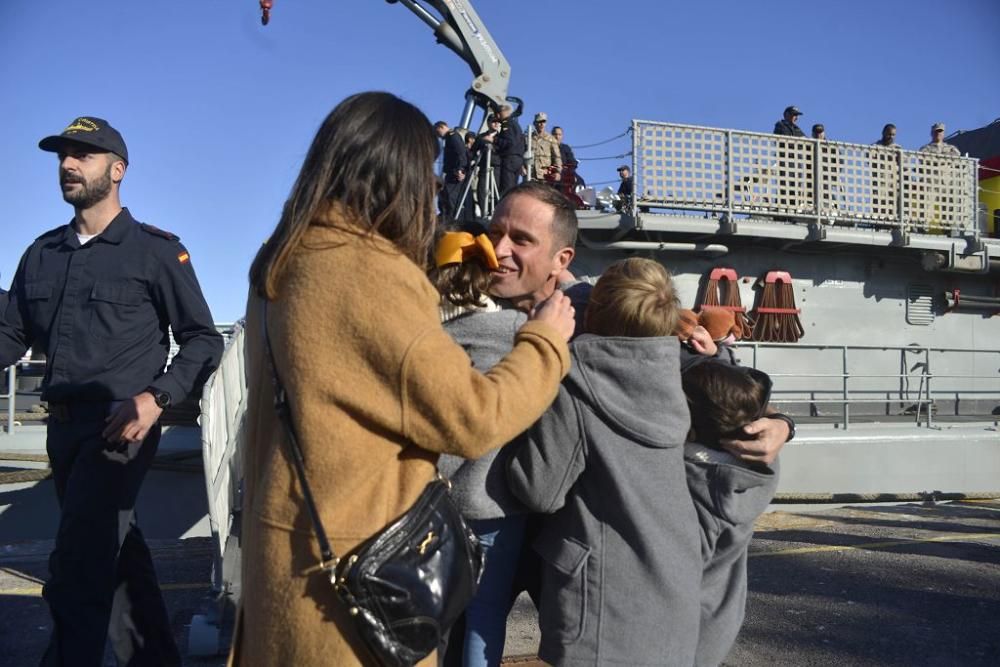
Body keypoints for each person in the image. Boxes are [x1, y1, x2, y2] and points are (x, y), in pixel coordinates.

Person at [232, 92, 576, 667]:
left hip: (286, 558)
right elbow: (470, 418)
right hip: (352, 576)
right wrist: (544, 343)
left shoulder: (281, 261)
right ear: (401, 174)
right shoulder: (372, 271)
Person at [0, 116, 223, 665]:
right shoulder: (42, 254)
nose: (68, 164)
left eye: (84, 155)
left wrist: (155, 398)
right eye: (63, 156)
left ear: (117, 170)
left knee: (76, 566)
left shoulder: (155, 251)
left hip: (120, 427)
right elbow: (11, 335)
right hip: (63, 427)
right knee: (118, 556)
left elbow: (201, 340)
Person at [507, 257, 701, 665]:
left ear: (590, 313)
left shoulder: (577, 383)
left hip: (601, 608)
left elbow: (538, 489)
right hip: (673, 592)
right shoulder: (671, 374)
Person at [438, 182, 578, 667]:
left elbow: (678, 373)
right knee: (470, 629)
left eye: (521, 239)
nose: (498, 250)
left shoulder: (595, 314)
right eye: (495, 232)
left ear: (562, 260)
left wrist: (777, 425)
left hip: (559, 529)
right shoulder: (479, 323)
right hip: (494, 514)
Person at [681, 361, 780, 666]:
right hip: (718, 629)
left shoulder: (685, 485)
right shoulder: (765, 472)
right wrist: (782, 423)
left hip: (680, 636)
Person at [436, 121, 470, 222]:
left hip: (455, 174)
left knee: (451, 198)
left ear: (441, 127)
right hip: (450, 173)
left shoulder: (453, 136)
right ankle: (444, 219)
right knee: (444, 196)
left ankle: (452, 221)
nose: (438, 135)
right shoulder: (449, 138)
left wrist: (461, 169)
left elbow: (461, 153)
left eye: (437, 132)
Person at [494, 103, 525, 195]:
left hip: (509, 159)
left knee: (506, 189)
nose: (497, 116)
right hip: (518, 160)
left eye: (497, 113)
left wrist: (494, 139)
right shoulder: (516, 125)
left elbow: (509, 142)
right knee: (513, 188)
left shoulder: (506, 123)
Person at [530, 112, 562, 182]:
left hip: (545, 176)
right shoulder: (528, 138)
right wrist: (521, 167)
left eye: (543, 122)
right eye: (539, 122)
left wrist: (558, 172)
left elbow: (557, 157)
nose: (541, 124)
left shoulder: (551, 139)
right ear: (535, 123)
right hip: (530, 175)